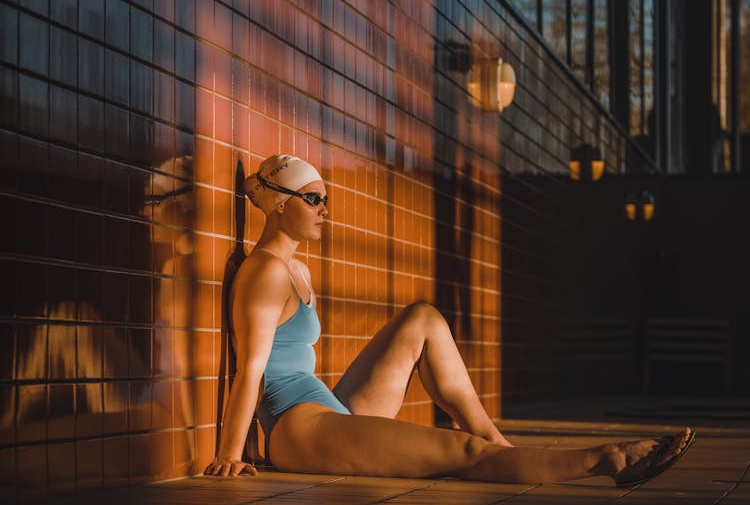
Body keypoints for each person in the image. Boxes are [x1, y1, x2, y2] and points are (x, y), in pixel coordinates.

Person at [205, 155, 695, 486]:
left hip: (328, 409)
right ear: (280, 203)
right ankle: (606, 460)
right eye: (314, 199)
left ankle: (500, 444)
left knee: (423, 318)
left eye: (325, 199)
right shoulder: (264, 271)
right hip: (299, 429)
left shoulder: (296, 268)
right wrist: (232, 452)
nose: (325, 210)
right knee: (463, 457)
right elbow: (251, 369)